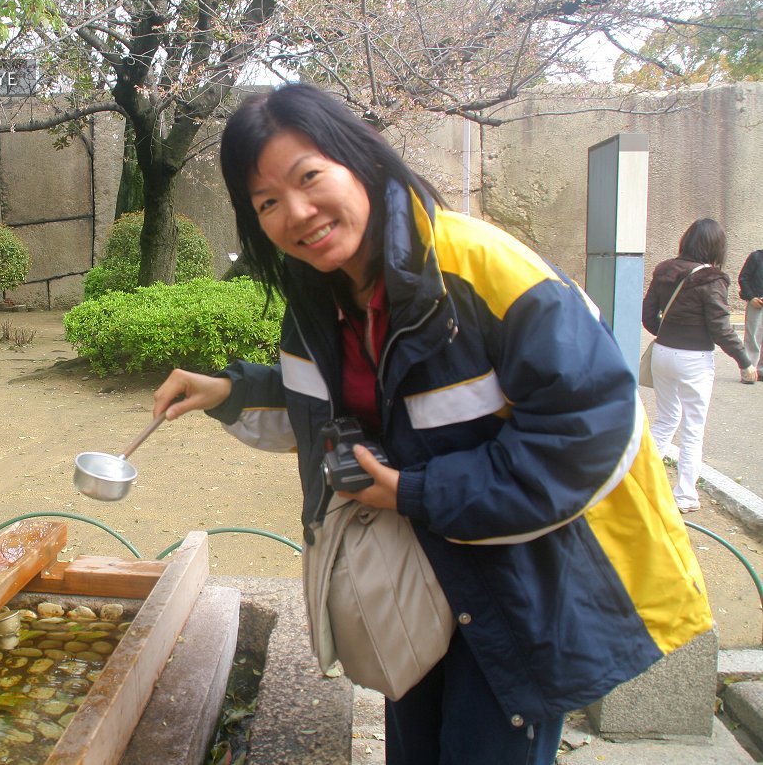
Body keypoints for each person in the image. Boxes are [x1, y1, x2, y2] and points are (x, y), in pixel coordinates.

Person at [152, 83, 712, 765]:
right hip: (418, 583)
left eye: (309, 177)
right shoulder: (314, 300)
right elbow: (330, 408)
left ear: (358, 159)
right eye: (267, 202)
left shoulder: (483, 270)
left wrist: (415, 492)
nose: (297, 212)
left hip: (523, 586)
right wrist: (230, 392)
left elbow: (593, 429)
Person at [642, 220, 758, 512]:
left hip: (663, 354)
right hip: (693, 360)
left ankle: (640, 482)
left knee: (667, 418)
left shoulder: (665, 269)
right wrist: (745, 362)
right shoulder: (712, 279)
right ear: (716, 247)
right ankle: (685, 496)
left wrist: (667, 334)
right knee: (693, 427)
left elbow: (648, 315)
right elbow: (720, 327)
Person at [739, 248, 763, 379]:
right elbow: (743, 279)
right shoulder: (756, 257)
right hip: (757, 303)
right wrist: (751, 297)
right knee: (752, 338)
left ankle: (761, 371)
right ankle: (748, 371)